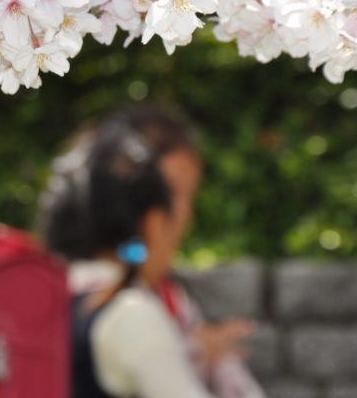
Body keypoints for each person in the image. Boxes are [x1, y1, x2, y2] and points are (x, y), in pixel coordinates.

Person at [39, 105, 264, 398]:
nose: (184, 216)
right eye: (172, 195)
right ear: (153, 219)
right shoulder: (132, 312)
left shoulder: (45, 296)